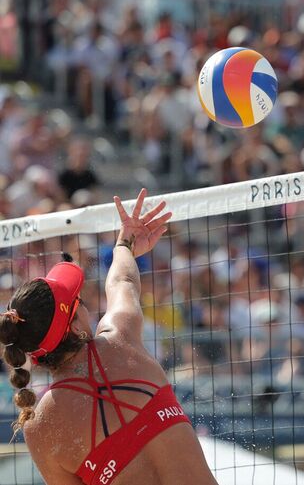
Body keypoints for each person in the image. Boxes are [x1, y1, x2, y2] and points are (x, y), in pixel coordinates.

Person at [0, 189, 217, 484]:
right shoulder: (120, 335)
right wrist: (124, 243)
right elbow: (123, 280)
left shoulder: (41, 428)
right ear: (76, 326)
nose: (87, 306)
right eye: (80, 303)